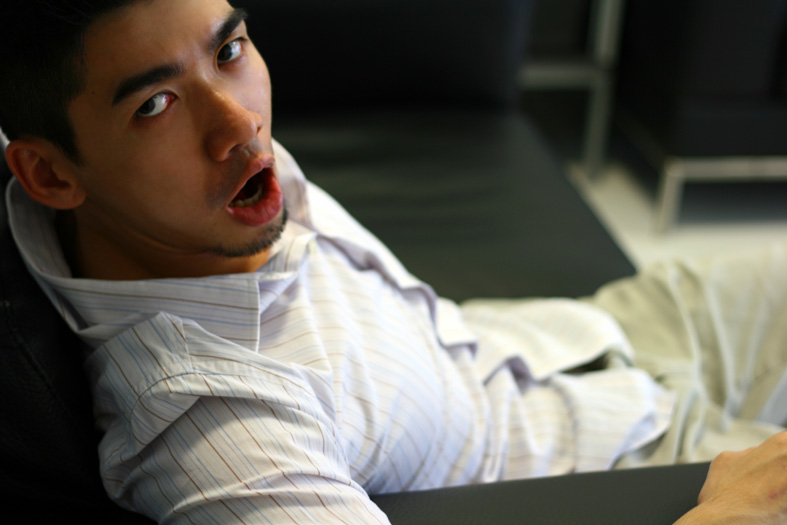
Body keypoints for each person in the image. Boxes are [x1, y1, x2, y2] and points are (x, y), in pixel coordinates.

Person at [1, 0, 786, 523]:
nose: (240, 123)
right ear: (49, 174)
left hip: (579, 338)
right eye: (155, 104)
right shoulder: (219, 424)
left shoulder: (191, 191)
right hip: (637, 456)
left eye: (229, 49)